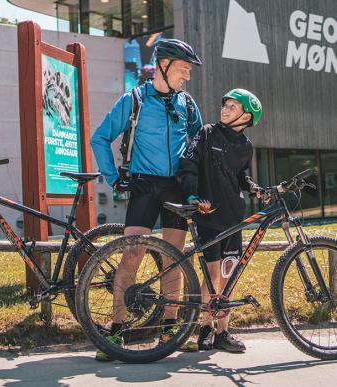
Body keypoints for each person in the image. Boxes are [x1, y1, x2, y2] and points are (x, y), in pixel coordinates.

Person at [90, 39, 203, 361]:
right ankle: (116, 329)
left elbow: (198, 143)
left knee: (174, 258)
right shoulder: (135, 99)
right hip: (144, 186)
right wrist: (113, 177)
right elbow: (100, 137)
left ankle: (170, 328)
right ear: (164, 66)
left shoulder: (188, 104)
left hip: (176, 188)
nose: (187, 76)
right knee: (132, 255)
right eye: (184, 69)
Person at [177, 88, 265, 353]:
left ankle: (223, 332)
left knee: (228, 274)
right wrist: (193, 195)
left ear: (247, 116)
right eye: (225, 104)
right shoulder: (206, 133)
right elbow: (188, 164)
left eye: (233, 106)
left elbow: (239, 176)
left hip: (233, 218)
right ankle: (205, 327)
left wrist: (253, 188)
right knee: (212, 274)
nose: (225, 108)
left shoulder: (245, 146)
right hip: (207, 214)